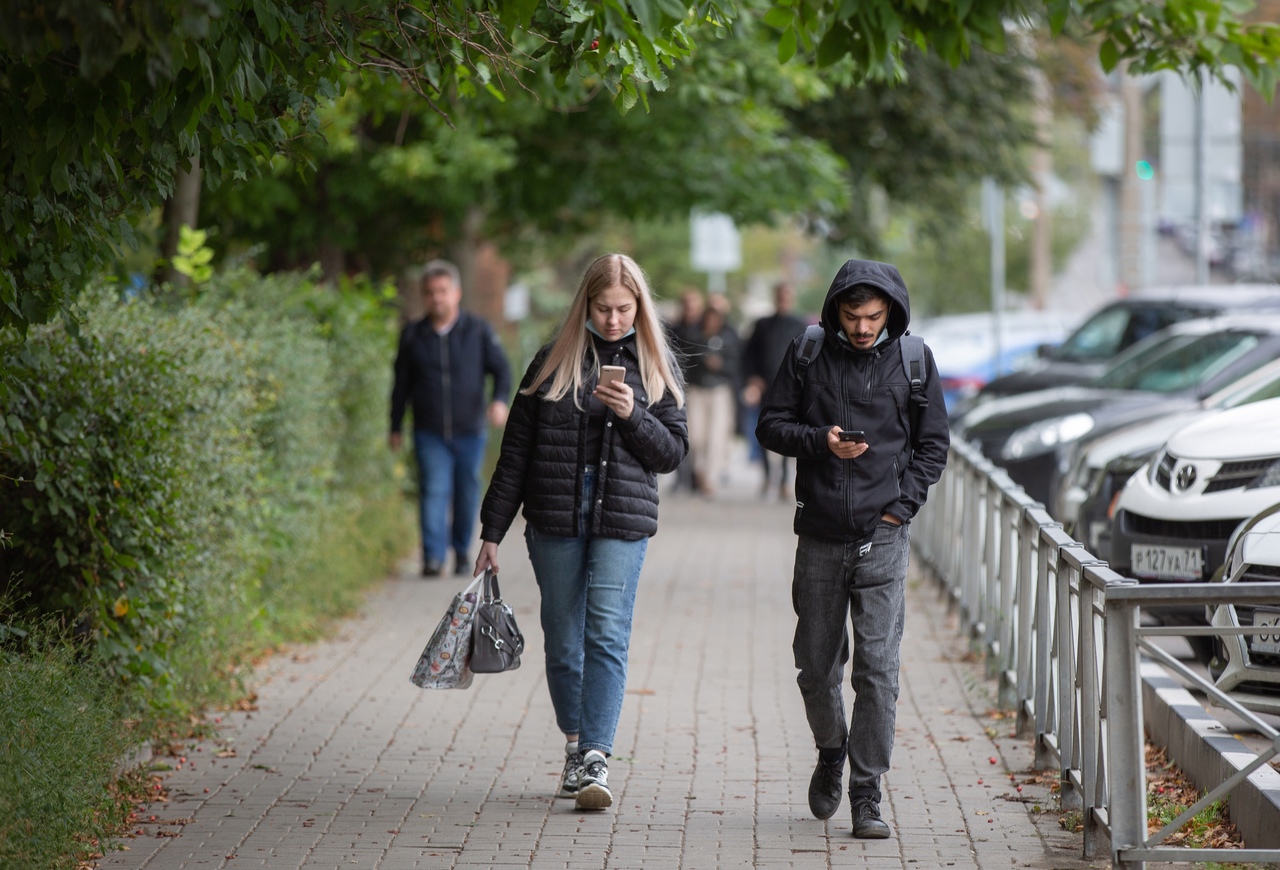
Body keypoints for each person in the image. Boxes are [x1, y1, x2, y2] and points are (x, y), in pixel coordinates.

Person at [475, 253, 688, 811]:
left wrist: (633, 413)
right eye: (603, 308)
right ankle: (574, 743)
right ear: (585, 305)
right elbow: (515, 454)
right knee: (563, 636)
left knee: (607, 634)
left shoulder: (653, 366)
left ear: (639, 306)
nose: (615, 319)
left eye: (624, 308)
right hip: (555, 519)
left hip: (622, 520)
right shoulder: (552, 362)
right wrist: (491, 531)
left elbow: (670, 455)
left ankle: (596, 756)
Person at [755, 259, 949, 839]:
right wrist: (820, 442)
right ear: (835, 310)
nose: (863, 328)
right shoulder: (809, 352)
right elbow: (769, 425)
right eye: (852, 315)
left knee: (878, 671)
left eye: (873, 316)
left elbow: (934, 445)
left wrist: (900, 507)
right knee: (816, 667)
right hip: (818, 534)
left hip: (882, 536)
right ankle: (831, 749)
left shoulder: (914, 361)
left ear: (889, 311)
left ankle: (867, 793)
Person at [390, 260, 512, 577]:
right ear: (424, 296)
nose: (437, 298)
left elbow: (501, 370)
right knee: (433, 489)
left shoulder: (478, 330)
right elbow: (400, 384)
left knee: (466, 491)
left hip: (470, 429)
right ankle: (432, 557)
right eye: (430, 293)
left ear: (456, 293)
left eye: (443, 291)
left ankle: (460, 551)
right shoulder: (413, 336)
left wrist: (499, 401)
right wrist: (394, 426)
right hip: (428, 431)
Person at [742, 281, 808, 500]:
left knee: (790, 433)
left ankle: (784, 481)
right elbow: (749, 355)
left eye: (787, 296)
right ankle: (768, 476)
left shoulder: (800, 325)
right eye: (780, 296)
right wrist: (752, 380)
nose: (783, 300)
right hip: (766, 386)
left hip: (793, 388)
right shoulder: (762, 324)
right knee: (764, 431)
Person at [683, 293, 742, 496]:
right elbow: (685, 363)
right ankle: (699, 471)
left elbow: (736, 365)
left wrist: (721, 365)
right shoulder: (694, 336)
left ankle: (710, 477)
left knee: (716, 437)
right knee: (695, 435)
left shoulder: (728, 337)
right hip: (697, 391)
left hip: (719, 391)